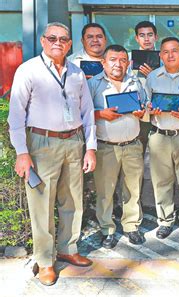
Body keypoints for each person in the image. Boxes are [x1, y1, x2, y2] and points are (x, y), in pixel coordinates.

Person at [8, 22, 96, 286]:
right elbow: (16, 115)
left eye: (64, 39)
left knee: (72, 201)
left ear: (70, 44)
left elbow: (88, 113)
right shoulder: (29, 70)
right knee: (42, 205)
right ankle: (45, 260)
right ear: (43, 41)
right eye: (52, 38)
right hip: (41, 143)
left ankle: (68, 249)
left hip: (74, 142)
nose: (58, 42)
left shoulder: (77, 73)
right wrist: (22, 152)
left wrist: (90, 147)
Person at [88, 44, 147, 248]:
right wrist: (100, 113)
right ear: (103, 62)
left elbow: (145, 107)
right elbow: (82, 113)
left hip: (132, 145)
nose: (118, 64)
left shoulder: (136, 82)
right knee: (105, 191)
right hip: (106, 147)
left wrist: (142, 113)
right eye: (113, 59)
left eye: (123, 60)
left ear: (128, 63)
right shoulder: (94, 84)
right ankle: (107, 229)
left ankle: (131, 226)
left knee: (133, 189)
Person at [146, 37, 179, 240]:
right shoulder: (152, 77)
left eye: (175, 51)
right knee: (162, 182)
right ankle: (166, 221)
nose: (170, 55)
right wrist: (151, 110)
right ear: (160, 55)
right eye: (166, 51)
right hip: (159, 135)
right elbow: (145, 106)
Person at [133, 21, 159, 156]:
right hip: (139, 114)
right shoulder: (129, 61)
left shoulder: (164, 58)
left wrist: (152, 76)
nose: (146, 39)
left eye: (150, 35)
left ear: (156, 37)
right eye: (142, 35)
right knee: (137, 154)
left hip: (159, 113)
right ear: (137, 38)